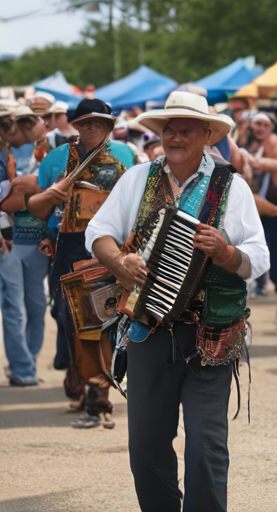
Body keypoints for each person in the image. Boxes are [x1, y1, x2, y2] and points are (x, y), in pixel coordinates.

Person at [85, 91, 269, 512]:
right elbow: (97, 232)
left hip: (212, 334)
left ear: (207, 135)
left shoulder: (232, 186)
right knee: (146, 446)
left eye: (186, 129)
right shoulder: (138, 177)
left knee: (206, 446)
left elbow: (259, 258)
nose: (175, 136)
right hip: (148, 331)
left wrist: (225, 253)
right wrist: (120, 261)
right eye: (169, 128)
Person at [29, 98, 136, 427]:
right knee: (68, 319)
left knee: (103, 322)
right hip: (69, 249)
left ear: (110, 125)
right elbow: (39, 208)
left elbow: (134, 204)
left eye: (98, 122)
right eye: (85, 122)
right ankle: (82, 384)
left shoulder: (127, 156)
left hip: (110, 247)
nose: (91, 127)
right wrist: (48, 228)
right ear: (74, 125)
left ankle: (98, 396)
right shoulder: (56, 158)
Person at [0, 105, 50, 386]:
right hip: (8, 243)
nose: (11, 128)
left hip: (39, 242)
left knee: (36, 305)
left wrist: (23, 191)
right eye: (4, 124)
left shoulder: (49, 153)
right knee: (12, 306)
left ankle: (28, 360)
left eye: (19, 121)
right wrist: (23, 191)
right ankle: (22, 369)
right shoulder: (1, 156)